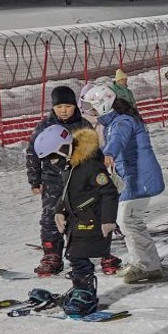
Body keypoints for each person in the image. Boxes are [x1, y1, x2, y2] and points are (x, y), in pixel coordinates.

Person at [33, 124, 118, 317]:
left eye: (53, 157)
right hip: (76, 219)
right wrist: (59, 211)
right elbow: (66, 193)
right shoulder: (69, 166)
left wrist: (108, 219)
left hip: (93, 219)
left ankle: (86, 294)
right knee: (73, 255)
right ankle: (80, 288)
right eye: (48, 159)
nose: (52, 162)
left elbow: (109, 192)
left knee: (78, 256)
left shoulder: (90, 165)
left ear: (64, 148)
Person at [84, 85, 165, 284]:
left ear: (104, 106)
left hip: (139, 178)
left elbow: (118, 139)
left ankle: (146, 265)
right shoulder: (114, 122)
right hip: (133, 177)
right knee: (130, 221)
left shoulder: (122, 122)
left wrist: (109, 154)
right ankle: (147, 263)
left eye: (93, 108)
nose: (91, 113)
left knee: (128, 220)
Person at [25, 85, 94, 276]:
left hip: (77, 179)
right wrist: (35, 179)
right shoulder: (44, 126)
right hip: (52, 179)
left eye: (68, 106)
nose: (63, 110)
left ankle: (84, 252)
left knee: (81, 215)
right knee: (50, 217)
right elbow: (32, 153)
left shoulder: (83, 125)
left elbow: (93, 152)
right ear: (53, 107)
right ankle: (51, 255)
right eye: (59, 107)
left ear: (75, 106)